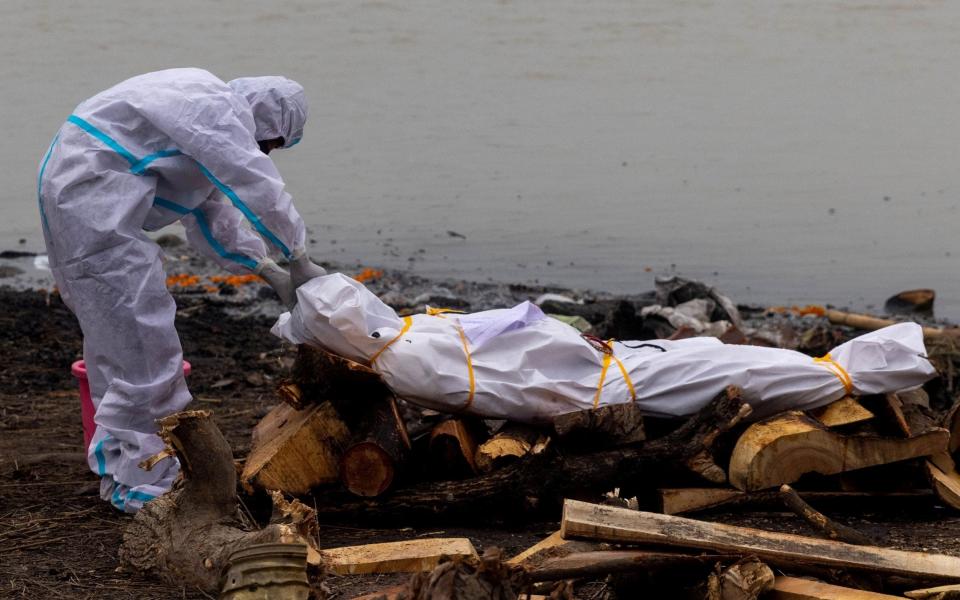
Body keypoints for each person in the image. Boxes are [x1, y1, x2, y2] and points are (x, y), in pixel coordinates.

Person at [36, 68, 326, 513]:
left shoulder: (198, 116)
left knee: (114, 342)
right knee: (142, 341)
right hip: (92, 200)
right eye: (271, 144)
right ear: (267, 123)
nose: (266, 152)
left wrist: (267, 267)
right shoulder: (215, 110)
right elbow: (255, 182)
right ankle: (151, 483)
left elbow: (212, 213)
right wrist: (298, 254)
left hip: (81, 191)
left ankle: (122, 472)